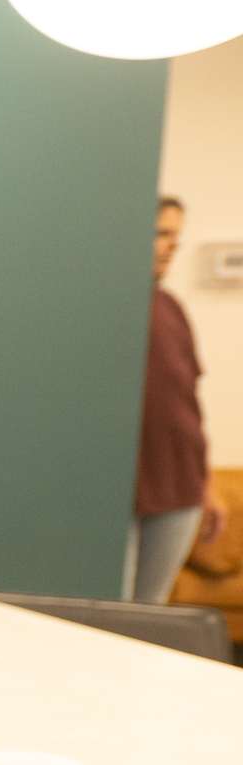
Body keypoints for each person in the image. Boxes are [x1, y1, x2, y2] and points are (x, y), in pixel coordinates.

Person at [136, 195, 224, 603]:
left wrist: (206, 482)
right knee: (110, 614)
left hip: (181, 491)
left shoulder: (171, 307)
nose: (173, 245)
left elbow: (189, 402)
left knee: (148, 612)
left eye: (177, 235)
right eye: (162, 234)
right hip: (129, 491)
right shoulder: (103, 309)